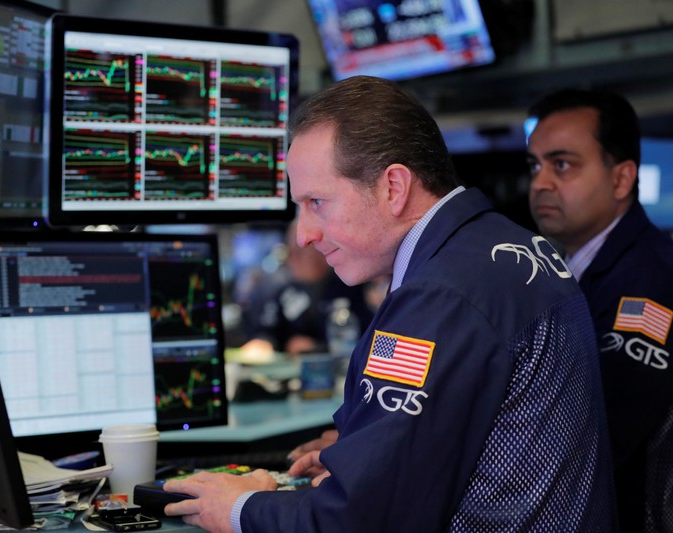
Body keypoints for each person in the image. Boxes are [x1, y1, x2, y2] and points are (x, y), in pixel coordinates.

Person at [163, 75, 616, 532]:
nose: (304, 234)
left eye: (317, 201)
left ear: (394, 187)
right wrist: (368, 459)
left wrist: (241, 508)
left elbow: (361, 520)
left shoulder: (439, 295)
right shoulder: (508, 246)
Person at [526, 88, 673, 532]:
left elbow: (598, 431)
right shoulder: (568, 268)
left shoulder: (650, 279)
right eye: (535, 165)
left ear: (622, 179)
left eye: (562, 164)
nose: (539, 182)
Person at [240, 222, 374, 357]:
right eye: (295, 250)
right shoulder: (272, 286)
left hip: (338, 364)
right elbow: (263, 334)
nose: (296, 257)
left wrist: (317, 347)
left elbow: (365, 335)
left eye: (310, 248)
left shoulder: (348, 283)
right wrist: (264, 343)